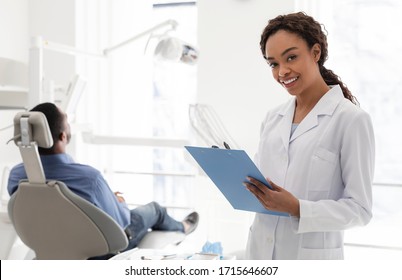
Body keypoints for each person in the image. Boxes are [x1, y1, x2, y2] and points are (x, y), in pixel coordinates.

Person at [243, 12, 375, 260]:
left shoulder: (351, 120)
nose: (282, 71)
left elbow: (360, 210)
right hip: (259, 254)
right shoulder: (273, 119)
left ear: (316, 53)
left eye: (291, 57)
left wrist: (297, 208)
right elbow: (262, 185)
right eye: (273, 64)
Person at [7, 102, 199, 258]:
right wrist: (116, 202)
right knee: (155, 210)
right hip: (98, 251)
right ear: (63, 136)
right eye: (67, 122)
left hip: (48, 245)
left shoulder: (17, 177)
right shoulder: (90, 179)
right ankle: (183, 227)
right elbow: (121, 222)